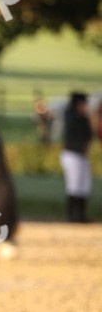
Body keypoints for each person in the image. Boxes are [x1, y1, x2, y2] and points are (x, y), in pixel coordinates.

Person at [60, 91, 93, 223]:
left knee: (84, 185)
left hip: (81, 155)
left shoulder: (83, 119)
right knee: (74, 185)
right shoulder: (71, 118)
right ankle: (73, 215)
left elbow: (89, 135)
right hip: (72, 154)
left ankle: (81, 215)